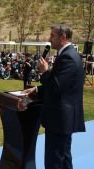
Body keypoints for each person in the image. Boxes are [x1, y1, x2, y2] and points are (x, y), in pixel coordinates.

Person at [21, 24, 85, 169]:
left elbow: (56, 87)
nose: (49, 39)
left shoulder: (68, 57)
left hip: (60, 119)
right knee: (63, 159)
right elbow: (60, 84)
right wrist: (36, 89)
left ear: (62, 37)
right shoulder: (68, 54)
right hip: (63, 119)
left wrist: (45, 71)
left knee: (55, 161)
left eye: (52, 35)